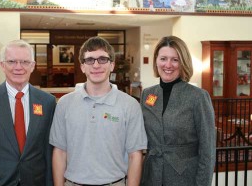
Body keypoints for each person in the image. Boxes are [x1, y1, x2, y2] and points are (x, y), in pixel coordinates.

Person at [49, 36, 147, 186]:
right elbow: (60, 152)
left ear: (112, 65)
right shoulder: (64, 104)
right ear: (82, 66)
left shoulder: (130, 105)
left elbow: (135, 156)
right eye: (90, 60)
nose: (96, 65)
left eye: (102, 59)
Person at [0, 40, 56, 186]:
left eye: (25, 62)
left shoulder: (48, 102)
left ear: (32, 66)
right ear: (2, 65)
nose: (18, 67)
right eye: (12, 61)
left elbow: (49, 151)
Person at [140, 36, 215, 186]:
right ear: (156, 61)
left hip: (185, 178)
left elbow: (208, 151)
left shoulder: (198, 97)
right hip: (151, 176)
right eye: (163, 58)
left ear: (183, 62)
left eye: (175, 59)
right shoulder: (147, 94)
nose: (168, 65)